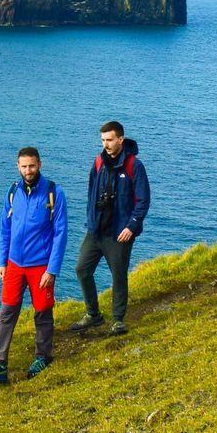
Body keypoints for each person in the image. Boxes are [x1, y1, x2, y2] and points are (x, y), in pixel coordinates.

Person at [0, 147, 69, 383]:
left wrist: (52, 269)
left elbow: (60, 233)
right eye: (24, 166)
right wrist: (2, 262)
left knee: (43, 312)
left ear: (40, 164)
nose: (28, 171)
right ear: (17, 166)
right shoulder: (12, 192)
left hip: (41, 264)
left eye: (32, 165)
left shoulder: (53, 192)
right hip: (14, 264)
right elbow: (5, 230)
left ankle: (43, 356)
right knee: (7, 311)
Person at [73, 121, 150, 335]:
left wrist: (131, 227)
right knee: (82, 268)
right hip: (96, 230)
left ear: (120, 140)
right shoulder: (98, 162)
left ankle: (118, 319)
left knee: (118, 275)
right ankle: (93, 314)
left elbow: (143, 200)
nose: (106, 144)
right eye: (103, 140)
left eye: (109, 140)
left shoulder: (134, 165)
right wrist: (90, 220)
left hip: (120, 233)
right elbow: (91, 192)